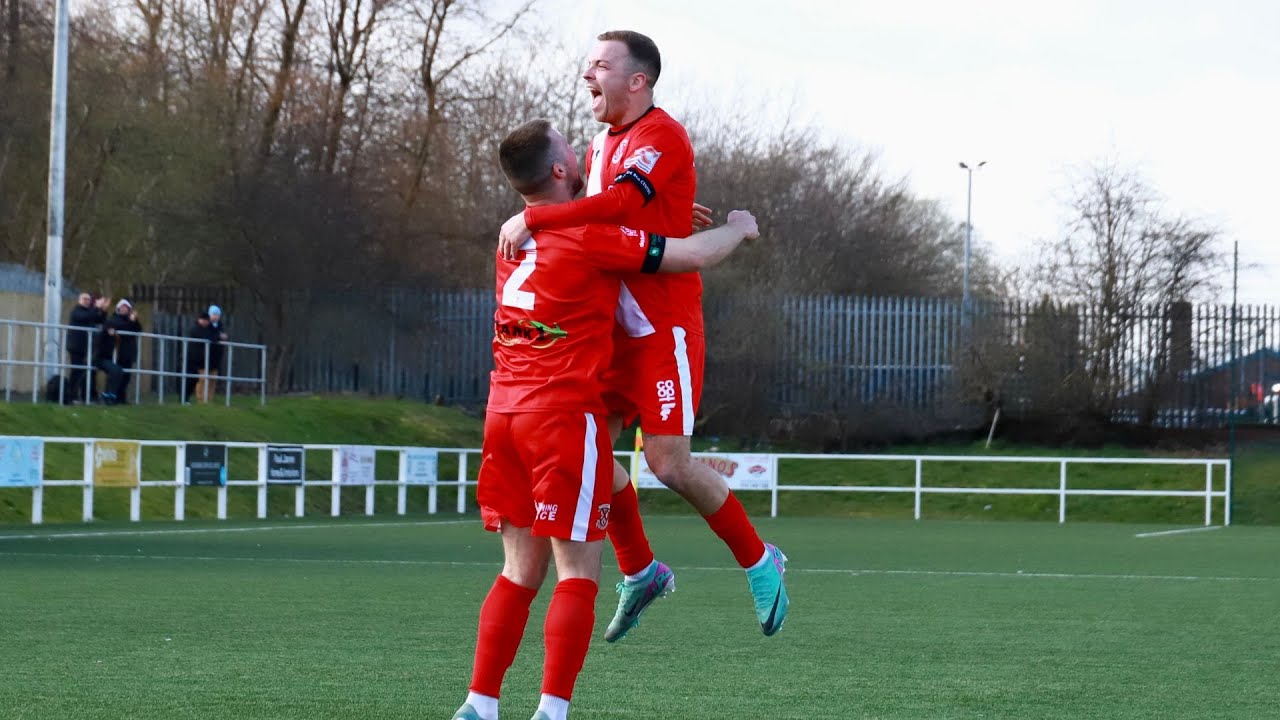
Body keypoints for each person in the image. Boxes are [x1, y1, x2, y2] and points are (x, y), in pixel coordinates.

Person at [453, 119, 758, 720]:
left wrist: (659, 213)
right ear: (564, 171)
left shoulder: (509, 239)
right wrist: (738, 229)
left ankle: (479, 703)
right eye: (574, 150)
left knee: (518, 571)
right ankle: (551, 711)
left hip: (502, 416)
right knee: (577, 573)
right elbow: (694, 256)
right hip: (563, 418)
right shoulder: (592, 237)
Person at [497, 30, 789, 640]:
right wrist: (675, 209)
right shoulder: (602, 141)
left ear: (639, 80)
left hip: (662, 327)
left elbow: (624, 201)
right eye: (586, 65)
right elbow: (617, 209)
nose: (587, 75)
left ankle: (761, 560)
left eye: (600, 65)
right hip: (609, 333)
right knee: (592, 455)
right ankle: (642, 569)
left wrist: (533, 215)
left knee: (667, 462)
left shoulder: (661, 133)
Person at [65, 292, 107, 403]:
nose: (86, 301)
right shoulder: (76, 311)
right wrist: (96, 307)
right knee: (76, 371)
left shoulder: (89, 312)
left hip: (87, 348)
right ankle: (70, 397)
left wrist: (102, 310)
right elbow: (86, 317)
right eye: (84, 299)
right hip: (76, 347)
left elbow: (100, 319)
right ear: (79, 300)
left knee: (87, 372)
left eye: (88, 299)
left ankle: (85, 396)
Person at [103, 299, 142, 402]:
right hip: (117, 352)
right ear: (118, 308)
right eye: (122, 307)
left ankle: (121, 398)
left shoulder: (130, 320)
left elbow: (138, 329)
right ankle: (112, 397)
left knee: (126, 377)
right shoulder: (114, 319)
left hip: (129, 352)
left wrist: (135, 320)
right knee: (116, 375)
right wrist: (131, 321)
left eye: (127, 307)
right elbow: (121, 327)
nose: (124, 309)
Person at [183, 312, 212, 403]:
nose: (205, 322)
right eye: (203, 320)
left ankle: (186, 399)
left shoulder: (205, 329)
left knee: (194, 379)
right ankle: (184, 399)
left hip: (198, 359)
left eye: (206, 320)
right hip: (191, 358)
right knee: (190, 379)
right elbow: (207, 337)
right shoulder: (195, 329)